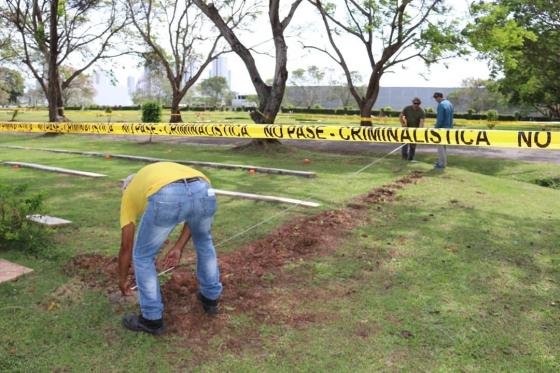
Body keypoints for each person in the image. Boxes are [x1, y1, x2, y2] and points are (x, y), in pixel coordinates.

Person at [118, 162, 222, 335]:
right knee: (204, 241)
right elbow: (192, 211)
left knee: (143, 256)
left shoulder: (129, 193)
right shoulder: (152, 174)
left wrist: (121, 279)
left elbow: (126, 245)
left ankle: (151, 319)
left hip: (166, 193)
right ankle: (210, 299)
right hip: (203, 188)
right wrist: (178, 247)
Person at [433, 92, 454, 168]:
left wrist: (435, 128)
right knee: (443, 147)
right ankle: (442, 162)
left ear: (439, 97)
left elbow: (440, 119)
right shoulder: (449, 103)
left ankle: (441, 164)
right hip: (449, 127)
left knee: (440, 147)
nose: (435, 100)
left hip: (442, 129)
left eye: (435, 98)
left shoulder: (441, 105)